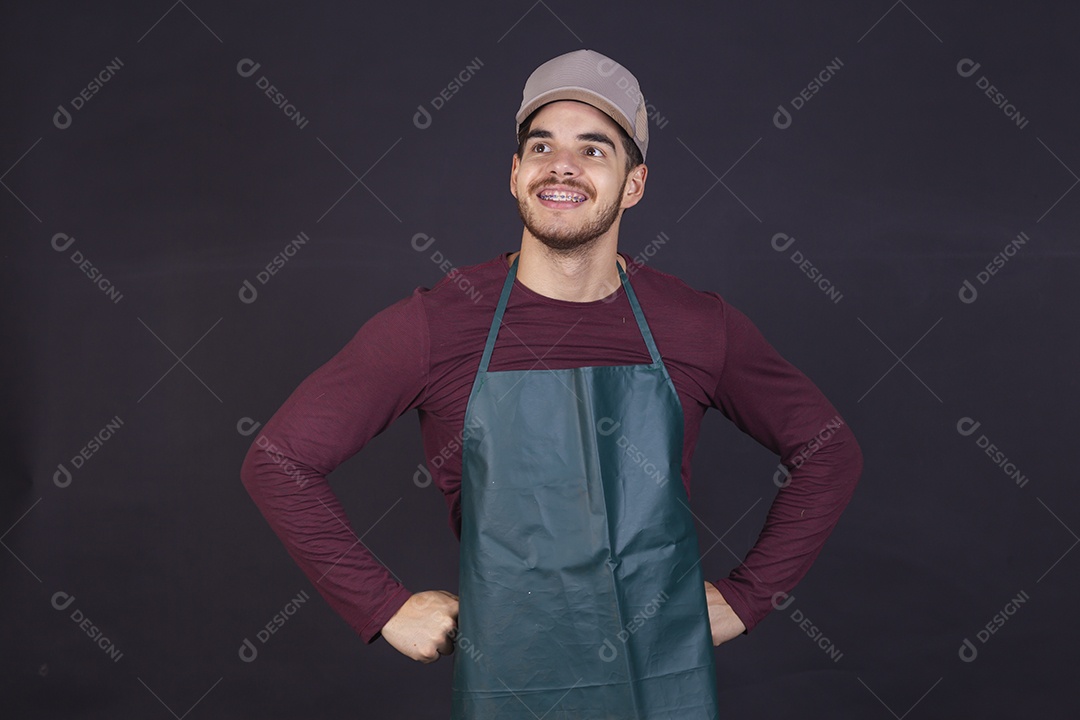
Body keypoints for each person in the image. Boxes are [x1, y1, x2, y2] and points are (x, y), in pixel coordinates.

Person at [241, 48, 862, 719]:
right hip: (511, 680)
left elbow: (828, 450)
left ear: (634, 184)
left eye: (593, 149)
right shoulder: (436, 324)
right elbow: (279, 462)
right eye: (542, 145)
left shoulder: (697, 326)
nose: (561, 164)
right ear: (515, 174)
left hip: (660, 681)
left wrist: (749, 596)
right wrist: (383, 606)